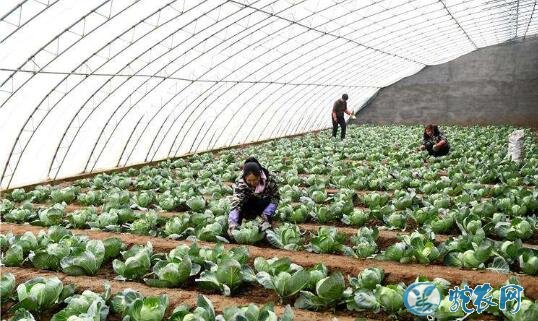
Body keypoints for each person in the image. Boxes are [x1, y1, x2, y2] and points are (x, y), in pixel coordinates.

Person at [227, 157, 280, 237]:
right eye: (249, 180)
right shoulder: (241, 183)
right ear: (245, 178)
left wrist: (266, 214)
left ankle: (265, 220)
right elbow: (236, 202)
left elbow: (275, 197)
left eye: (255, 180)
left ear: (260, 175)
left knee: (268, 200)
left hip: (262, 204)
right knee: (241, 206)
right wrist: (232, 222)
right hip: (249, 204)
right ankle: (242, 223)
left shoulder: (270, 180)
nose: (252, 183)